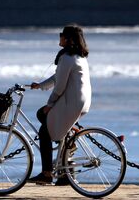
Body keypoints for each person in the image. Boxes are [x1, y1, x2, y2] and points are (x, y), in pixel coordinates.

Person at [27, 24, 92, 185]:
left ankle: (47, 173)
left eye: (62, 35)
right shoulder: (78, 56)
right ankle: (64, 172)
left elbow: (60, 86)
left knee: (44, 129)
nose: (60, 37)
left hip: (72, 101)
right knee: (47, 119)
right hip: (82, 101)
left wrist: (50, 104)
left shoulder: (67, 57)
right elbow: (57, 77)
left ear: (68, 38)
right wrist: (40, 85)